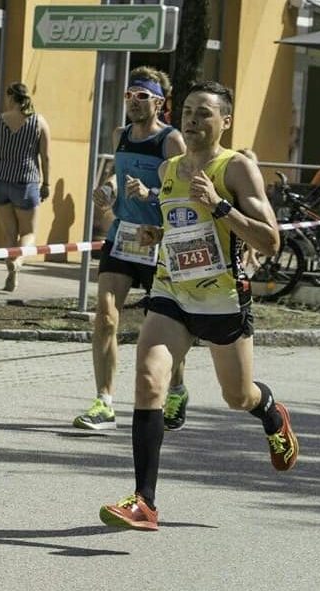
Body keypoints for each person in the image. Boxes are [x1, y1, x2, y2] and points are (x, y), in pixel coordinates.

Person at [99, 80, 300, 531]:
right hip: (172, 293)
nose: (192, 119)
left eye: (204, 112)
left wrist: (219, 205)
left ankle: (270, 411)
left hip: (223, 299)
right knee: (149, 379)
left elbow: (270, 241)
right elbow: (180, 226)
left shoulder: (237, 169)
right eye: (188, 110)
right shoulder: (170, 168)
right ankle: (144, 502)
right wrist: (160, 236)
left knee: (237, 396)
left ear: (225, 121)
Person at [73, 67, 189, 432]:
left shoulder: (171, 142)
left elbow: (185, 195)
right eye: (129, 95)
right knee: (105, 317)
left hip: (159, 240)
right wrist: (108, 190)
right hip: (123, 237)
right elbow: (117, 175)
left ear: (159, 101)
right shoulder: (119, 135)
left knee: (166, 326)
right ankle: (104, 402)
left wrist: (151, 194)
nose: (134, 102)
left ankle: (177, 389)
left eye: (142, 96)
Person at [0, 82, 51, 291]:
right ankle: (17, 262)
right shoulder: (38, 122)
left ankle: (12, 275)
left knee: (10, 234)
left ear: (10, 97)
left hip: (0, 182)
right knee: (29, 233)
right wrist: (46, 183)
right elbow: (45, 157)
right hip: (25, 183)